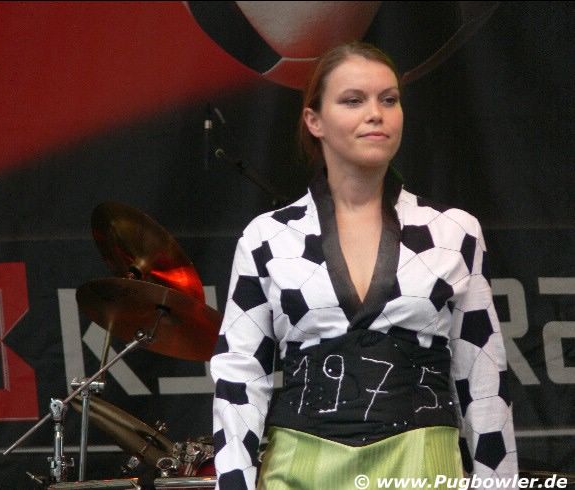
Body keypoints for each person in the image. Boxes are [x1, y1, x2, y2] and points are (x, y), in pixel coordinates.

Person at [210, 41, 517, 490]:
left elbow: (483, 374)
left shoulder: (453, 231)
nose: (376, 114)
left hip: (421, 464)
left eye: (388, 100)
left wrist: (499, 483)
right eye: (353, 100)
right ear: (314, 120)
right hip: (299, 467)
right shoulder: (269, 237)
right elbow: (240, 374)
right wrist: (234, 484)